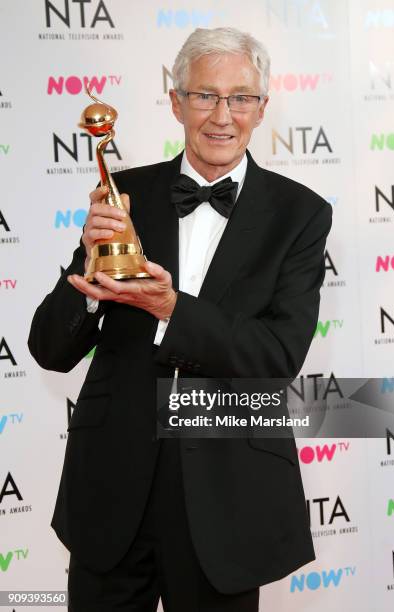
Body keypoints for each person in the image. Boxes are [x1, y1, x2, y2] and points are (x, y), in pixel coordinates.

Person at [28, 27, 332, 612]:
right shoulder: (123, 194)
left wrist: (173, 309)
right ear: (175, 101)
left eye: (240, 97)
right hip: (112, 488)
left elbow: (279, 355)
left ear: (261, 108)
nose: (222, 115)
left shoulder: (300, 215)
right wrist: (90, 285)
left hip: (228, 496)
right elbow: (48, 348)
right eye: (205, 96)